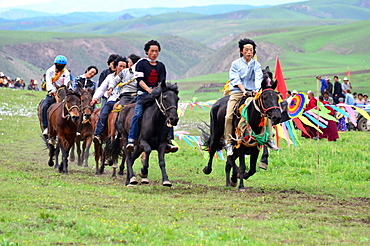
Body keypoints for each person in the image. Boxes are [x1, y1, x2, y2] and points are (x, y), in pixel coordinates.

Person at [224, 38, 278, 156]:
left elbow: (258, 77)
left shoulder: (256, 64)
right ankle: (228, 143)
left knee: (265, 112)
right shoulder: (235, 64)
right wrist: (243, 90)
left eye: (251, 50)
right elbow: (235, 79)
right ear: (241, 51)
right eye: (247, 50)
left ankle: (269, 140)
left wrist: (256, 89)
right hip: (237, 92)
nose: (249, 52)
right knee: (228, 116)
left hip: (253, 92)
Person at [126, 40, 178, 153]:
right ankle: (131, 139)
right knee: (138, 114)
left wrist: (157, 90)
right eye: (152, 51)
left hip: (157, 95)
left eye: (156, 51)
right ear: (147, 52)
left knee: (168, 113)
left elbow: (161, 82)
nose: (154, 53)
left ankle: (170, 140)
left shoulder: (161, 66)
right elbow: (139, 80)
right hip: (143, 94)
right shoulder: (141, 64)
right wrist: (149, 90)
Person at [91, 56, 127, 144]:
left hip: (125, 100)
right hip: (112, 100)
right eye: (120, 66)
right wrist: (95, 98)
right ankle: (98, 134)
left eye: (124, 67)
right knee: (103, 113)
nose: (122, 68)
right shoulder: (110, 77)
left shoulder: (129, 77)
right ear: (116, 66)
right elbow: (102, 88)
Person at [41, 55, 71, 135]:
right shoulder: (50, 71)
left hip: (63, 92)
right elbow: (49, 83)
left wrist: (66, 90)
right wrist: (53, 91)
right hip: (53, 92)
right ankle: (46, 127)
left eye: (62, 65)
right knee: (45, 106)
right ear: (55, 64)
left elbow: (67, 83)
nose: (60, 66)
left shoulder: (66, 72)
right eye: (59, 65)